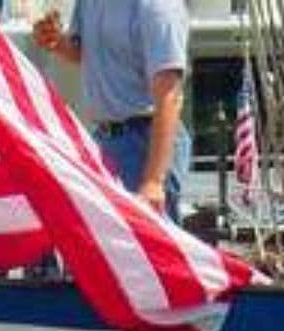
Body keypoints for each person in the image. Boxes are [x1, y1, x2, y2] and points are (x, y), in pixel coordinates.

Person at [32, 0, 191, 222]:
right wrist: (56, 42)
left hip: (146, 142)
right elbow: (83, 52)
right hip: (104, 141)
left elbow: (169, 96)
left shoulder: (158, 7)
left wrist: (154, 180)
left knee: (150, 251)